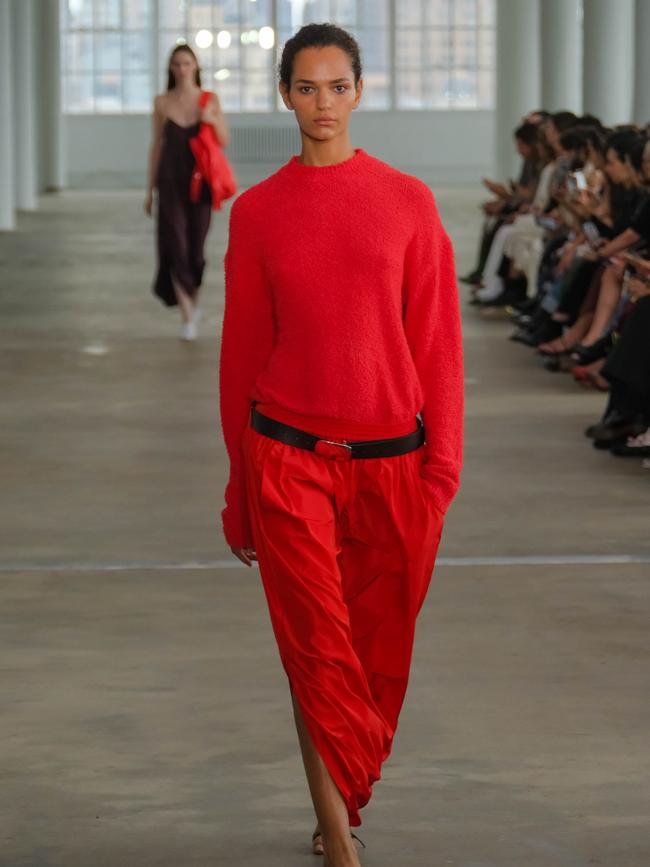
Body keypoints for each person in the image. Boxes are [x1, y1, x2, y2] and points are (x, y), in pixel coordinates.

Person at [218, 23, 463, 867]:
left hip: (395, 464)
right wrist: (237, 485)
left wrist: (441, 475)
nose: (323, 103)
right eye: (307, 87)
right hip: (286, 458)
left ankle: (337, 809)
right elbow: (242, 356)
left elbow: (437, 348)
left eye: (338, 86)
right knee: (314, 646)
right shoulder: (256, 214)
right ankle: (337, 841)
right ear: (284, 94)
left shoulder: (408, 203)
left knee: (374, 658)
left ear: (360, 90)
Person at [145, 44, 229, 340]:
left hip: (201, 184)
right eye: (177, 64)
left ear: (195, 67)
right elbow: (156, 146)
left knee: (196, 250)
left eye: (187, 63)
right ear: (171, 68)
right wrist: (149, 190)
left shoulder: (210, 100)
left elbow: (224, 140)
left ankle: (192, 305)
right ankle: (187, 317)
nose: (182, 69)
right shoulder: (161, 102)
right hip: (169, 183)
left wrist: (212, 119)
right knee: (176, 245)